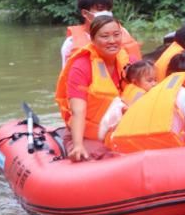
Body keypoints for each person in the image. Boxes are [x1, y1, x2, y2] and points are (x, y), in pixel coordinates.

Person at [55, 15, 137, 162]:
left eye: (116, 35)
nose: (112, 41)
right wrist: (78, 144)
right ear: (92, 40)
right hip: (88, 134)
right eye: (105, 36)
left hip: (123, 130)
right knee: (94, 157)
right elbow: (78, 110)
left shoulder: (130, 63)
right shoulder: (81, 66)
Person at [60, 0, 141, 67]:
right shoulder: (70, 43)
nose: (105, 13)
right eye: (100, 9)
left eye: (108, 9)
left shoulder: (122, 32)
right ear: (85, 13)